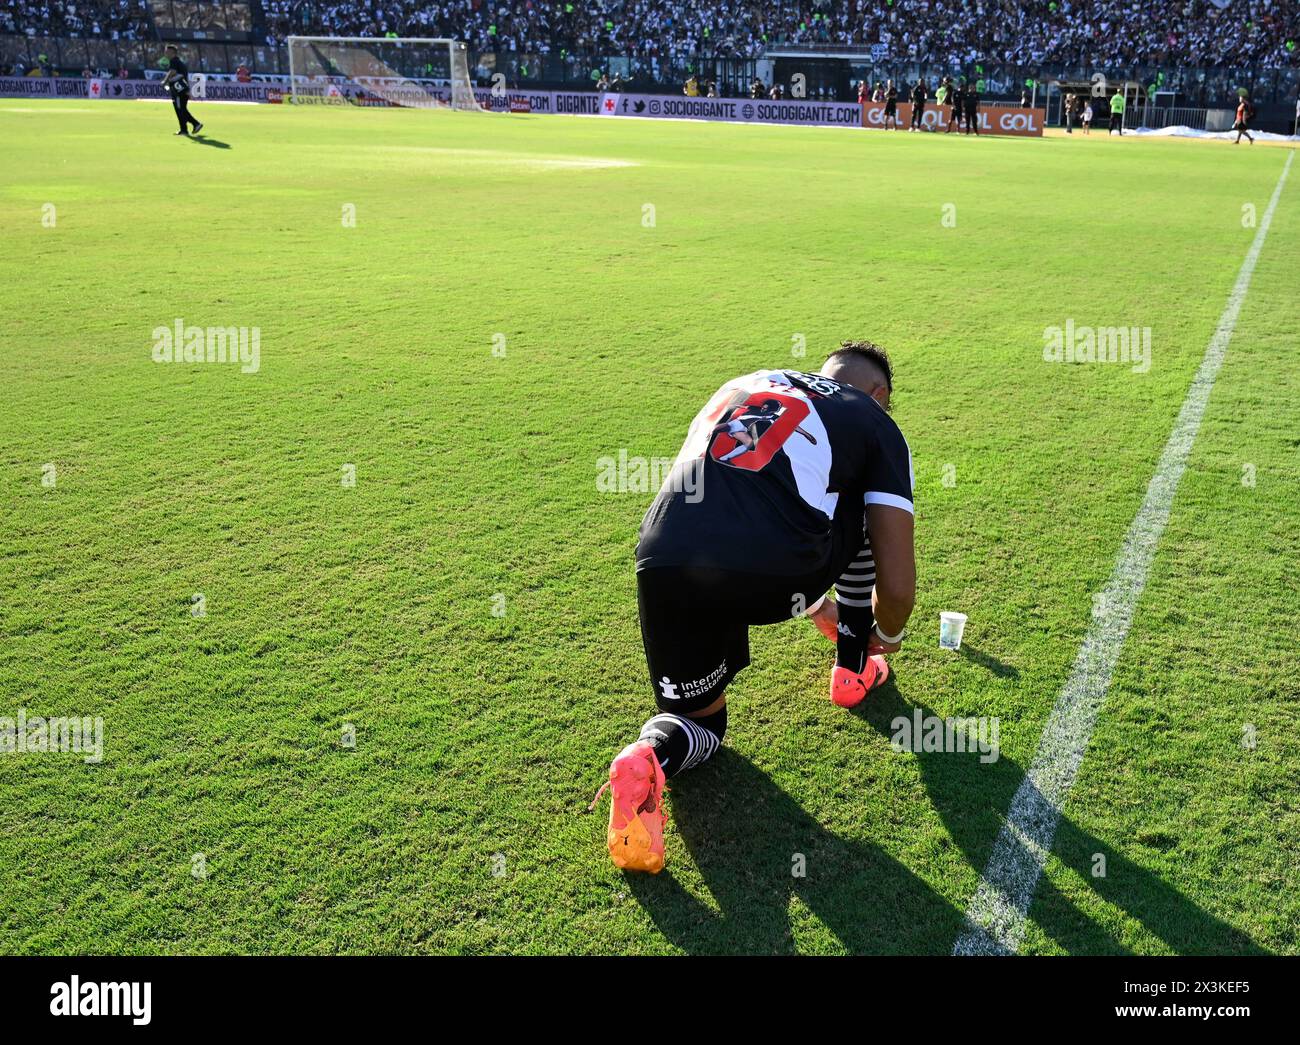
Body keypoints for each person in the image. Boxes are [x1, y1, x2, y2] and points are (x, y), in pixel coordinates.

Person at [591, 344, 917, 873]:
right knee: (861, 501)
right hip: (772, 564)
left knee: (700, 724)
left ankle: (649, 754)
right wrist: (889, 633)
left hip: (664, 554)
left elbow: (737, 503)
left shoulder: (753, 379)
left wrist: (814, 605)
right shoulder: (873, 421)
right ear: (879, 396)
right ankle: (854, 667)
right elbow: (899, 587)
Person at [161, 45, 202, 137]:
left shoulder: (174, 61)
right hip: (182, 89)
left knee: (181, 110)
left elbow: (173, 72)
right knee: (181, 109)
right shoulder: (178, 62)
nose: (165, 53)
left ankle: (194, 124)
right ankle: (186, 129)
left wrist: (165, 81)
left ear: (172, 53)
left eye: (167, 52)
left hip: (179, 91)